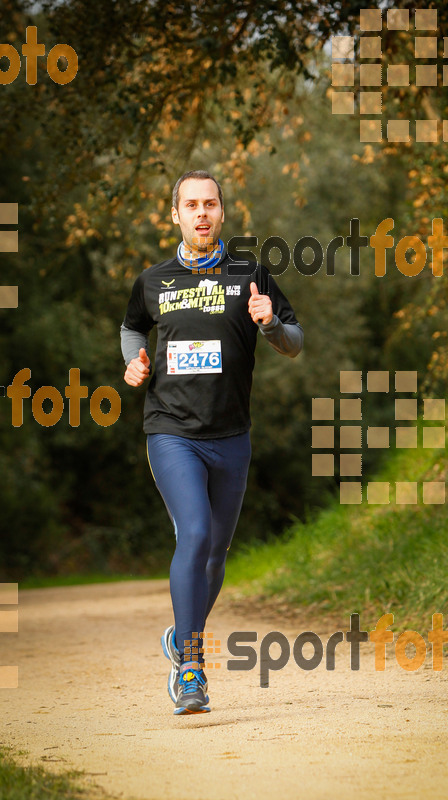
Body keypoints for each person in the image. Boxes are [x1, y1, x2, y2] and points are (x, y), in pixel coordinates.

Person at [120, 170, 303, 715]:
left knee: (216, 556)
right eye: (191, 205)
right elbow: (132, 327)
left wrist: (270, 325)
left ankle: (181, 636)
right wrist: (133, 360)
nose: (201, 213)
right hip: (171, 431)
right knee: (194, 533)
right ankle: (192, 667)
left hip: (232, 437)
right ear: (174, 214)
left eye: (211, 204)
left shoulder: (250, 273)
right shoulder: (153, 280)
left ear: (224, 212)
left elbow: (294, 341)